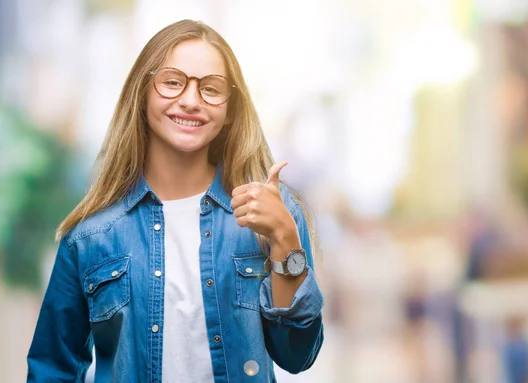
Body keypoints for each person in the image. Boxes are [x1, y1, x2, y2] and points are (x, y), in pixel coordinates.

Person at [27, 19, 324, 383]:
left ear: (230, 109)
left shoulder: (271, 213)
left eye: (211, 89)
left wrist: (285, 241)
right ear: (143, 93)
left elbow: (298, 354)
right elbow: (51, 370)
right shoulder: (91, 238)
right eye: (172, 82)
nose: (190, 100)